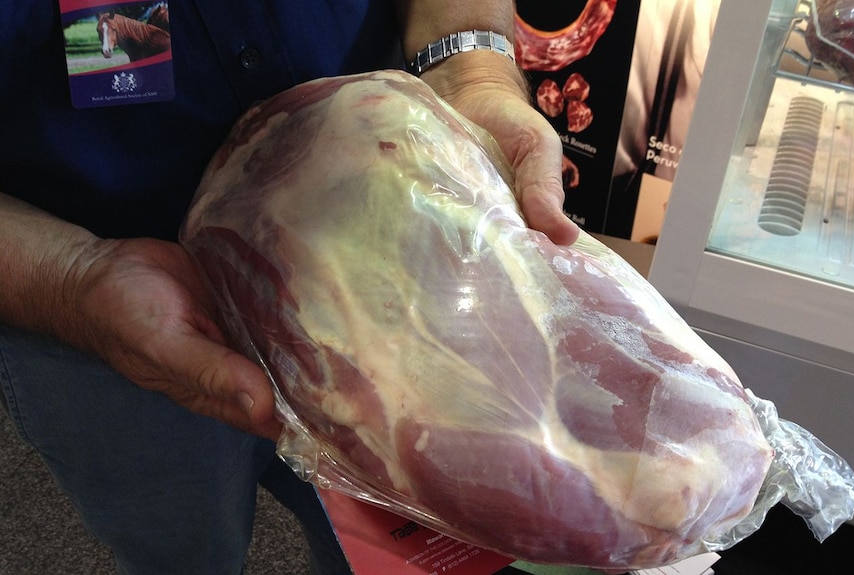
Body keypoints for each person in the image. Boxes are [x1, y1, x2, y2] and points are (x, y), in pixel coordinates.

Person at [0, 1, 579, 574]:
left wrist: (471, 71)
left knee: (393, 549)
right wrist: (70, 277)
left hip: (393, 257)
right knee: (179, 554)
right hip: (108, 313)